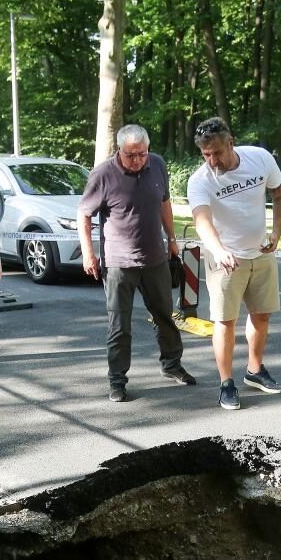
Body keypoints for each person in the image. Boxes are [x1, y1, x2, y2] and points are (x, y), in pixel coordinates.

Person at [77, 124, 196, 402]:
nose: (138, 160)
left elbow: (164, 202)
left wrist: (172, 238)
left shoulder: (157, 165)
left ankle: (172, 365)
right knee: (120, 325)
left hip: (155, 258)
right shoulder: (103, 174)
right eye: (131, 155)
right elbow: (83, 214)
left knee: (165, 316)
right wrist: (88, 252)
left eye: (142, 153)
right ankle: (117, 380)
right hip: (119, 263)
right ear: (120, 150)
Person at [186, 117, 281, 411]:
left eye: (217, 152)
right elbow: (202, 220)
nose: (212, 160)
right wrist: (218, 249)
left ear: (230, 143)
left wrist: (276, 233)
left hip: (261, 252)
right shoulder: (200, 180)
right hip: (226, 256)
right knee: (225, 321)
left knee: (262, 314)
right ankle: (226, 383)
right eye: (206, 155)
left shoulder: (260, 159)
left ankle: (255, 370)